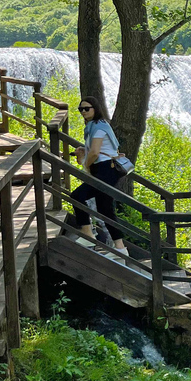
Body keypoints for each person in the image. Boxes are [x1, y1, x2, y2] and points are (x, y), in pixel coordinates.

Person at [71, 96, 128, 259]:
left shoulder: (98, 126)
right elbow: (97, 149)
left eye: (86, 108)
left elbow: (96, 152)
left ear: (95, 108)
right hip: (104, 169)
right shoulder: (93, 126)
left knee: (77, 196)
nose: (83, 112)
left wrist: (86, 165)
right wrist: (84, 150)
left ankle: (88, 236)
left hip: (105, 170)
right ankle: (120, 249)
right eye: (80, 109)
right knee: (105, 208)